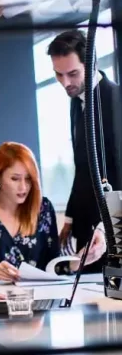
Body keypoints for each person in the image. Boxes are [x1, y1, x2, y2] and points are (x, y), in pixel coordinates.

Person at [0, 142, 105, 283]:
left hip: (39, 297)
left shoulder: (44, 208)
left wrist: (77, 262)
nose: (23, 187)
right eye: (15, 179)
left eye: (29, 179)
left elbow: (53, 266)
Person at [47, 30, 120, 271]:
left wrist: (104, 226)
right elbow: (83, 167)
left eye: (73, 74)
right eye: (58, 74)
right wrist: (69, 218)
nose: (65, 83)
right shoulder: (77, 101)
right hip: (87, 227)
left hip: (113, 229)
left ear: (92, 65)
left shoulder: (116, 101)